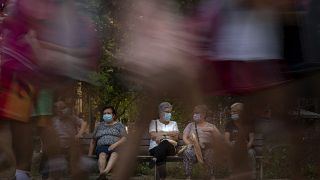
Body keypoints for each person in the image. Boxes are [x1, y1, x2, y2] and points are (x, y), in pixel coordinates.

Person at [88, 106, 127, 180]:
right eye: (104, 113)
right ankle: (103, 175)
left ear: (113, 115)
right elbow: (93, 141)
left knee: (114, 154)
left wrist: (114, 144)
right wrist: (89, 155)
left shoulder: (119, 125)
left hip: (116, 146)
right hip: (102, 147)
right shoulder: (99, 126)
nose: (106, 115)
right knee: (102, 155)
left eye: (108, 113)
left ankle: (103, 173)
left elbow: (124, 138)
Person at [182, 105, 221, 179]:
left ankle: (212, 176)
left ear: (203, 114)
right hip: (194, 149)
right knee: (187, 152)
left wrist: (213, 131)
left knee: (211, 153)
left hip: (207, 149)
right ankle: (188, 177)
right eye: (194, 113)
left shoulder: (211, 126)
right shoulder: (190, 125)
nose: (194, 115)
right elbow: (184, 137)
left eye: (197, 113)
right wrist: (189, 144)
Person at [224, 102, 256, 179]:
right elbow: (226, 140)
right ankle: (233, 175)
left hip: (246, 147)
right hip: (233, 147)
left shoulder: (248, 123)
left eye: (234, 111)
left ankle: (251, 176)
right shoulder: (229, 124)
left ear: (241, 112)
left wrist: (246, 147)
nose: (232, 113)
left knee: (251, 153)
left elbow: (251, 139)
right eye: (231, 111)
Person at [148, 102, 179, 180]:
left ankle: (155, 158)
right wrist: (169, 134)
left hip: (170, 148)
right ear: (160, 113)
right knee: (162, 150)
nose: (169, 114)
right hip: (154, 148)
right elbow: (152, 135)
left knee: (164, 142)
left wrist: (162, 135)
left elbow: (176, 138)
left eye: (170, 112)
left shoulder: (174, 123)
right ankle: (163, 178)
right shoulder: (153, 122)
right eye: (167, 112)